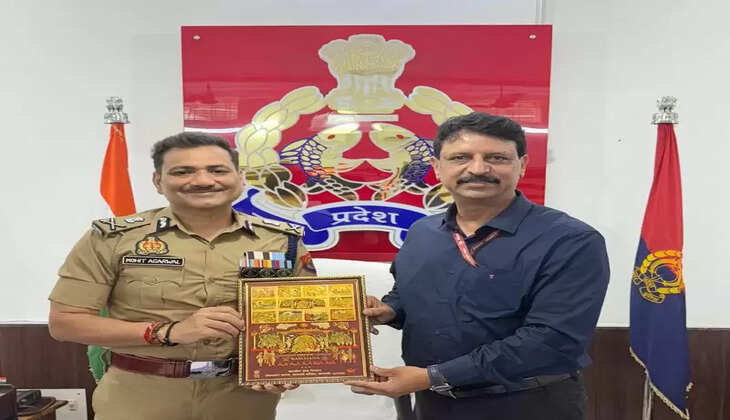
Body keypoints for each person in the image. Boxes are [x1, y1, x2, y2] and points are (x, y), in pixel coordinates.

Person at [345, 112, 609, 420]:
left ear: (522, 165)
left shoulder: (570, 240)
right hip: (433, 405)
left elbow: (551, 341)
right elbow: (408, 292)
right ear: (437, 167)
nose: (478, 169)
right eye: (461, 157)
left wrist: (432, 376)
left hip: (527, 404)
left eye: (497, 158)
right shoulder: (422, 233)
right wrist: (389, 310)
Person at [48, 132, 317, 420]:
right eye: (183, 171)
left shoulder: (281, 241)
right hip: (139, 395)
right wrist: (170, 332)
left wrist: (285, 367)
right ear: (158, 181)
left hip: (244, 398)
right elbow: (65, 323)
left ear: (240, 179)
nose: (203, 180)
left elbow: (309, 320)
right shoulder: (112, 239)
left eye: (217, 170)